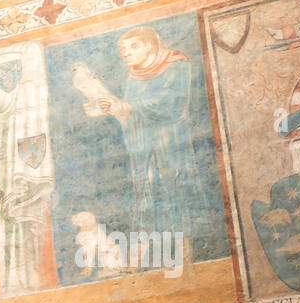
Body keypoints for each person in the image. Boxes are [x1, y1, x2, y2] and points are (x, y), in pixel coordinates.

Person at [85, 26, 211, 248]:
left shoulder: (176, 64)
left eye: (134, 46)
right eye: (123, 49)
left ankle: (187, 253)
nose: (126, 53)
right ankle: (151, 257)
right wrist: (115, 109)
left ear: (151, 46)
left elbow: (172, 103)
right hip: (144, 148)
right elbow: (131, 116)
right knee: (147, 196)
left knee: (177, 193)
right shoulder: (133, 75)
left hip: (170, 143)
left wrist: (128, 106)